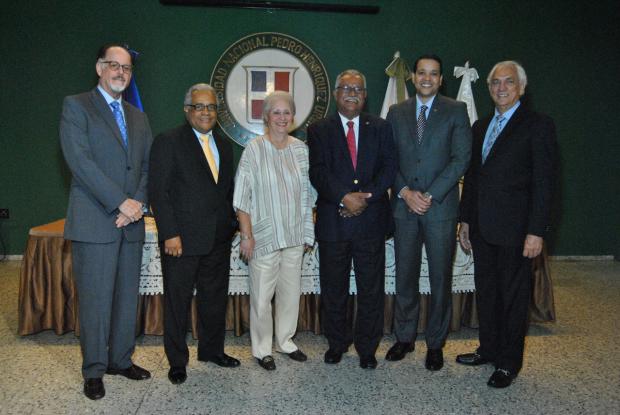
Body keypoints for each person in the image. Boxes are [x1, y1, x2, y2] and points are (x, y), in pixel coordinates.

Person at [59, 44, 153, 400]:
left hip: (131, 222)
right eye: (114, 65)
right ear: (100, 67)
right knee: (97, 299)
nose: (121, 72)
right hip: (97, 220)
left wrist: (137, 203)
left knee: (127, 298)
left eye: (127, 68)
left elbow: (145, 167)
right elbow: (79, 162)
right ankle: (94, 369)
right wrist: (120, 202)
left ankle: (120, 360)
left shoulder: (139, 116)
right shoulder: (77, 105)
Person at [457, 61, 557, 388]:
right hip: (483, 228)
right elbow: (472, 178)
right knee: (488, 293)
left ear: (521, 87)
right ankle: (488, 349)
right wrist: (466, 220)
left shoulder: (538, 125)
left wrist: (536, 231)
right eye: (496, 82)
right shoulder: (481, 126)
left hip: (517, 231)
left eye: (508, 82)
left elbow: (545, 182)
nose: (501, 88)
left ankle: (509, 363)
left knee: (513, 298)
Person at [148, 83, 240, 385]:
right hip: (181, 241)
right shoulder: (169, 141)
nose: (206, 112)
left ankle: (212, 351)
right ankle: (177, 361)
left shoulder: (224, 145)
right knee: (177, 302)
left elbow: (225, 192)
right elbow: (159, 193)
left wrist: (231, 225)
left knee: (214, 299)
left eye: (211, 107)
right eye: (199, 106)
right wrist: (170, 234)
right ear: (187, 110)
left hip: (218, 238)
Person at [385, 54, 472, 371]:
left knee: (440, 279)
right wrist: (406, 193)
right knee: (404, 276)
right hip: (404, 208)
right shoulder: (396, 113)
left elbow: (461, 159)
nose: (426, 78)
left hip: (440, 209)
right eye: (421, 72)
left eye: (433, 74)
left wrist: (431, 195)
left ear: (440, 79)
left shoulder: (456, 110)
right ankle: (404, 337)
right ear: (413, 77)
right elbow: (388, 159)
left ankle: (435, 343)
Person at [308, 69, 396, 369]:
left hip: (371, 221)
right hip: (334, 221)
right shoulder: (319, 129)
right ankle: (337, 343)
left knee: (371, 288)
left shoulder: (381, 127)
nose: (352, 93)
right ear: (335, 94)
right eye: (346, 88)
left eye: (358, 88)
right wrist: (345, 197)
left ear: (365, 95)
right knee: (334, 288)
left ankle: (367, 348)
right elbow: (318, 171)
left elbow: (388, 169)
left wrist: (364, 198)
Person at [234, 91, 315, 371]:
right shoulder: (253, 150)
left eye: (287, 112)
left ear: (293, 117)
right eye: (276, 112)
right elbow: (241, 198)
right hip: (263, 237)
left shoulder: (301, 150)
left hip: (293, 236)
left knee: (290, 293)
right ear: (266, 117)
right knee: (261, 297)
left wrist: (307, 233)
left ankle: (286, 341)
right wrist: (246, 236)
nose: (282, 118)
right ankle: (261, 348)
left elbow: (307, 196)